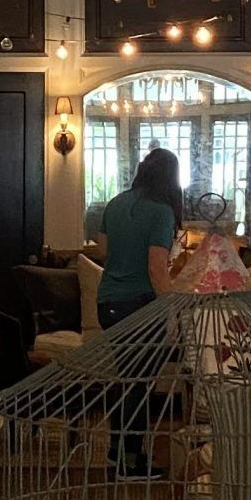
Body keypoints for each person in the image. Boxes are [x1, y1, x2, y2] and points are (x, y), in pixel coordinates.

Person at [95, 147, 181, 473]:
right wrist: (174, 308)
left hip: (108, 303)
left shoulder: (117, 202)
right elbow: (157, 269)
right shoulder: (161, 212)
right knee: (140, 385)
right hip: (140, 306)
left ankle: (119, 455)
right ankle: (129, 463)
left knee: (129, 380)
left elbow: (103, 247)